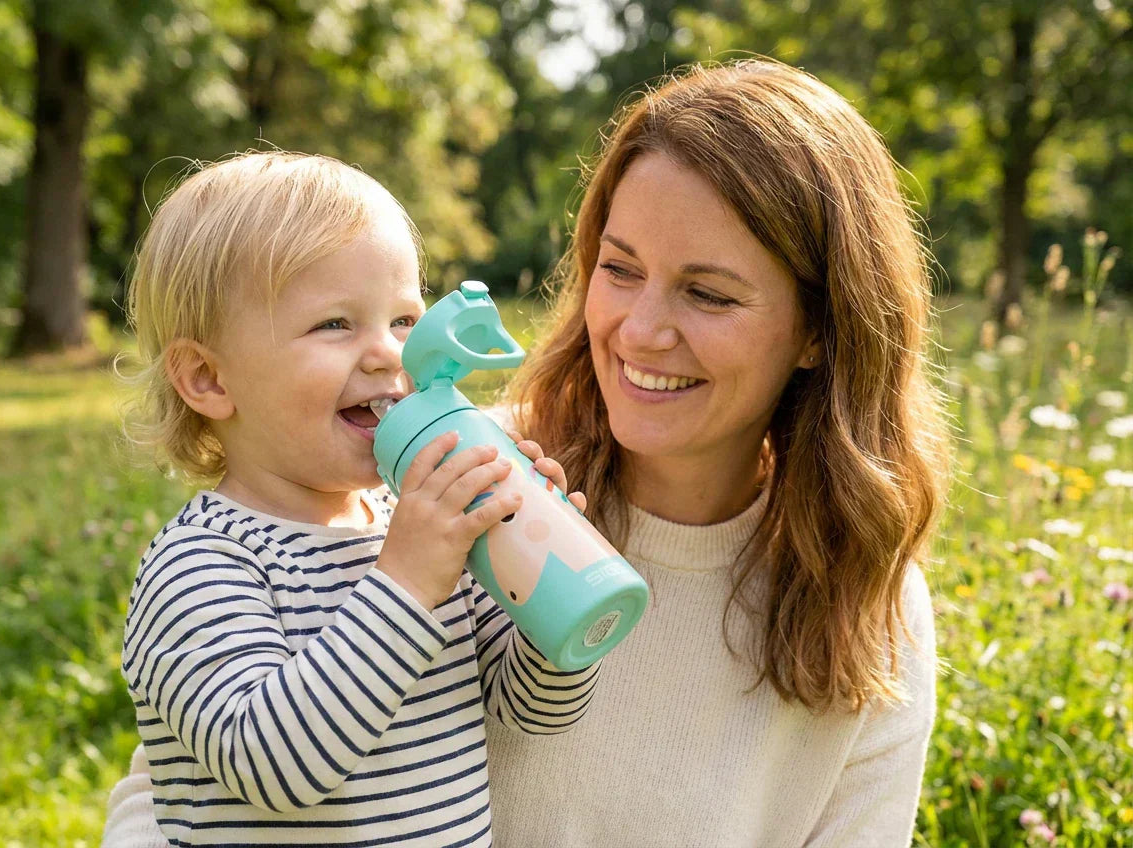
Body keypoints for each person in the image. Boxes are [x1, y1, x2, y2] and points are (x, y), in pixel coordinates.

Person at [105, 58, 948, 847]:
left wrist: (556, 619)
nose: (643, 331)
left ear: (817, 329)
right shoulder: (440, 498)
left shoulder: (869, 603)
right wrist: (414, 575)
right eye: (620, 270)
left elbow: (521, 703)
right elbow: (190, 775)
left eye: (708, 292)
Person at [114, 151, 599, 848]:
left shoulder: (420, 533)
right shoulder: (202, 566)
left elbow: (527, 711)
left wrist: (553, 591)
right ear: (209, 379)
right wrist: (404, 583)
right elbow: (275, 766)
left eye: (404, 320)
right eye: (335, 324)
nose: (391, 356)